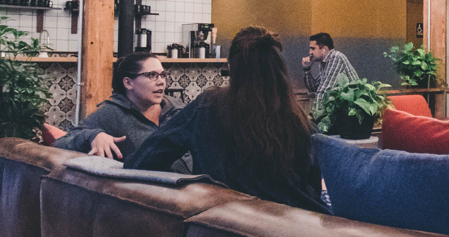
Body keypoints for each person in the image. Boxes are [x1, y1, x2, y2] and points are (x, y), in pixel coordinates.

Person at [127, 26, 329, 214]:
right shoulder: (299, 120)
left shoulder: (207, 106)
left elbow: (143, 161)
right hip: (298, 228)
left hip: (224, 230)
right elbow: (312, 187)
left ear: (231, 67)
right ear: (279, 71)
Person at [53, 53, 193, 173]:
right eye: (152, 75)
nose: (161, 82)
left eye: (163, 75)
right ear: (128, 83)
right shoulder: (111, 113)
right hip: (157, 192)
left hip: (199, 185)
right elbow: (58, 145)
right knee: (209, 98)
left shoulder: (176, 107)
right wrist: (92, 135)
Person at [303, 32, 358, 103]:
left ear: (324, 49)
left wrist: (314, 113)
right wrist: (307, 69)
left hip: (352, 108)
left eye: (313, 49)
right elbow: (314, 89)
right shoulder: (324, 63)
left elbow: (325, 91)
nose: (310, 52)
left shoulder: (336, 57)